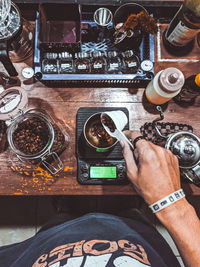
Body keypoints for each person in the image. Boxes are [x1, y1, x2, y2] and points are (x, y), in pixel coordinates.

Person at [0, 131, 200, 267]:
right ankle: (130, 208)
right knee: (130, 213)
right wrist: (173, 205)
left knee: (65, 216)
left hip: (56, 237)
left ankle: (66, 209)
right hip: (136, 235)